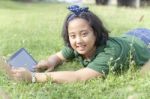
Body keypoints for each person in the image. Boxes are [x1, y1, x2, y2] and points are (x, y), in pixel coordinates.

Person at [0, 5, 150, 83]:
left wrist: (33, 77)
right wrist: (49, 62)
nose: (78, 40)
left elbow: (78, 77)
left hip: (144, 40)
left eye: (84, 34)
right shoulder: (78, 46)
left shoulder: (109, 53)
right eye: (73, 35)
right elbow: (58, 56)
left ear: (96, 33)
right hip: (129, 36)